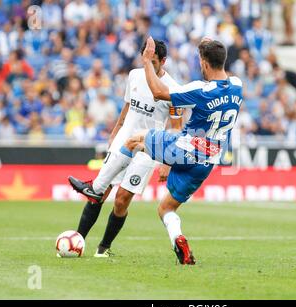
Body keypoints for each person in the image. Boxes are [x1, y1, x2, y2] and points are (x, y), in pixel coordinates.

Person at [70, 37, 243, 265]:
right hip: (207, 161)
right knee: (165, 208)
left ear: (204, 63)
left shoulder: (199, 89)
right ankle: (178, 239)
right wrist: (207, 47)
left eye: (201, 61)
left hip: (185, 148)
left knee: (134, 142)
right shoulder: (238, 85)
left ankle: (96, 188)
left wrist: (146, 63)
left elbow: (159, 93)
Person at [68, 39, 183, 258]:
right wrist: (116, 131)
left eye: (154, 62)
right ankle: (77, 241)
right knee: (98, 192)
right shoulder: (134, 76)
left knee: (121, 200)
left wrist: (167, 162)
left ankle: (103, 248)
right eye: (146, 60)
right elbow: (128, 106)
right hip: (123, 141)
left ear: (164, 61)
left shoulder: (174, 90)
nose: (149, 65)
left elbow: (177, 128)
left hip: (148, 150)